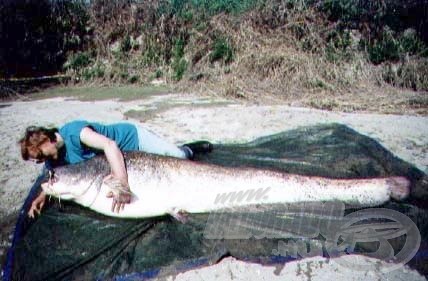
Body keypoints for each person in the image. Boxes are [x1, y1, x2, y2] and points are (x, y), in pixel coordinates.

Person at [19, 120, 213, 218]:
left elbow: (110, 146)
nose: (41, 161)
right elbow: (52, 178)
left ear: (47, 140)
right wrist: (40, 197)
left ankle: (187, 149)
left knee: (178, 158)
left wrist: (122, 183)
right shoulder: (54, 156)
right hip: (128, 161)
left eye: (40, 156)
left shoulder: (76, 132)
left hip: (133, 141)